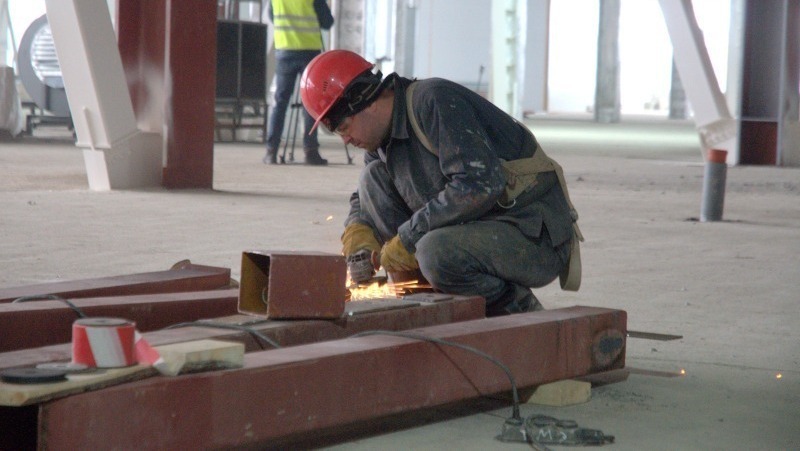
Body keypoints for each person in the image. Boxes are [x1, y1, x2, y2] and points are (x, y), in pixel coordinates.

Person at [300, 50, 583, 316]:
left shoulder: (433, 101)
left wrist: (407, 238)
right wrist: (357, 234)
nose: (345, 140)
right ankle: (426, 303)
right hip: (477, 227)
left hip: (531, 233)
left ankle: (520, 310)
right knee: (371, 179)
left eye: (344, 128)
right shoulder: (379, 140)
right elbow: (362, 199)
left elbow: (479, 184)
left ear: (367, 102)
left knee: (435, 253)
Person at [264, 0, 334, 166]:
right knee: (310, 102)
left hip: (284, 50)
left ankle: (271, 151)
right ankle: (311, 151)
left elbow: (272, 16)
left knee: (280, 102)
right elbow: (327, 22)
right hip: (309, 53)